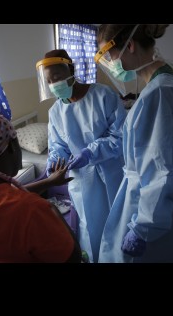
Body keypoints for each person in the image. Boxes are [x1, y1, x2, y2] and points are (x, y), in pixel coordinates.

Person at [95, 24, 173, 263]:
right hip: (152, 200)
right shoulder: (162, 81)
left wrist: (143, 227)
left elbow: (159, 169)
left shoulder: (159, 93)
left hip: (147, 206)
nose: (111, 65)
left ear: (130, 46)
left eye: (109, 56)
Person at [0, 111, 82, 263]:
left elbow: (6, 199)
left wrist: (49, 182)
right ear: (12, 147)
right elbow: (73, 258)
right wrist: (53, 211)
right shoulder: (32, 210)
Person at [35, 49, 127, 263]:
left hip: (111, 173)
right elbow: (57, 145)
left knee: (115, 223)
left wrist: (90, 152)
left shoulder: (103, 95)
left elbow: (120, 136)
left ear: (71, 70)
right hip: (82, 180)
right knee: (89, 226)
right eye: (49, 81)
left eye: (57, 77)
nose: (54, 84)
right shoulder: (56, 111)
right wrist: (53, 163)